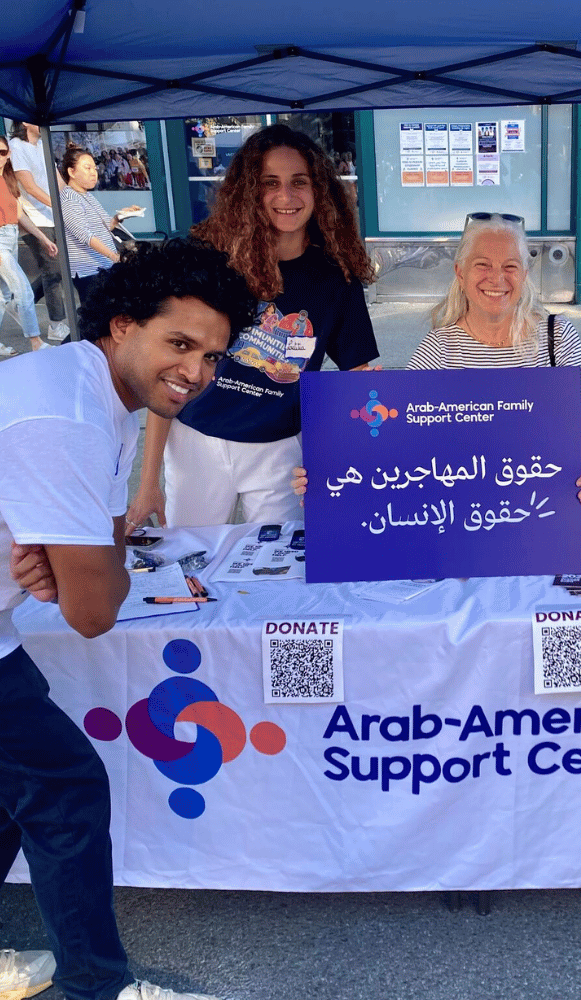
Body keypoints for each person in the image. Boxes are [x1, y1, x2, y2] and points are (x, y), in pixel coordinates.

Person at [0, 239, 255, 1000]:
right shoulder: (72, 414)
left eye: (212, 355)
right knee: (65, 789)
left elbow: (103, 550)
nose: (196, 372)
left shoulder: (100, 394)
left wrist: (68, 555)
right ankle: (96, 988)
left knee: (21, 790)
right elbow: (91, 611)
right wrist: (69, 562)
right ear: (119, 326)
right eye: (179, 343)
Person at [125, 124, 379, 532]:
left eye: (300, 182)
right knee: (191, 565)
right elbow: (169, 377)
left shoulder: (337, 278)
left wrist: (365, 446)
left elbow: (359, 378)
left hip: (282, 451)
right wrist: (148, 482)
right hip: (196, 440)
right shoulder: (211, 262)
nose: (286, 196)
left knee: (279, 572)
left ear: (320, 191)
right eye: (270, 184)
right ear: (248, 192)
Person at [292, 212, 581, 506]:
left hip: (543, 511)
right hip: (464, 513)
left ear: (524, 273)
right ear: (460, 272)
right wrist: (328, 475)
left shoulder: (558, 336)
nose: (497, 278)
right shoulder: (440, 348)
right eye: (483, 264)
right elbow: (397, 434)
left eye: (510, 266)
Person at [8, 122, 70, 343]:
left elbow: (57, 180)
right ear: (25, 122)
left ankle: (19, 304)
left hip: (53, 217)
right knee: (53, 270)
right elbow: (30, 187)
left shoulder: (43, 145)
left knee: (56, 270)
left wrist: (71, 198)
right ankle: (56, 324)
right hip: (33, 219)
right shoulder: (16, 146)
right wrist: (58, 204)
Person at [59, 146, 141, 306]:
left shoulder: (86, 195)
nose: (93, 173)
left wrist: (121, 215)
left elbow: (107, 225)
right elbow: (85, 235)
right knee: (97, 316)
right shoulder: (69, 198)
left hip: (103, 266)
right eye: (87, 168)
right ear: (71, 172)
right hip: (88, 270)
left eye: (94, 168)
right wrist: (114, 256)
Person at [0, 137, 60, 355]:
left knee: (3, 295)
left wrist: (43, 238)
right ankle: (35, 341)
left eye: (3, 152)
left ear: (8, 155)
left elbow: (19, 215)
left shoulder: (8, 180)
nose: (0, 156)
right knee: (23, 290)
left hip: (11, 236)